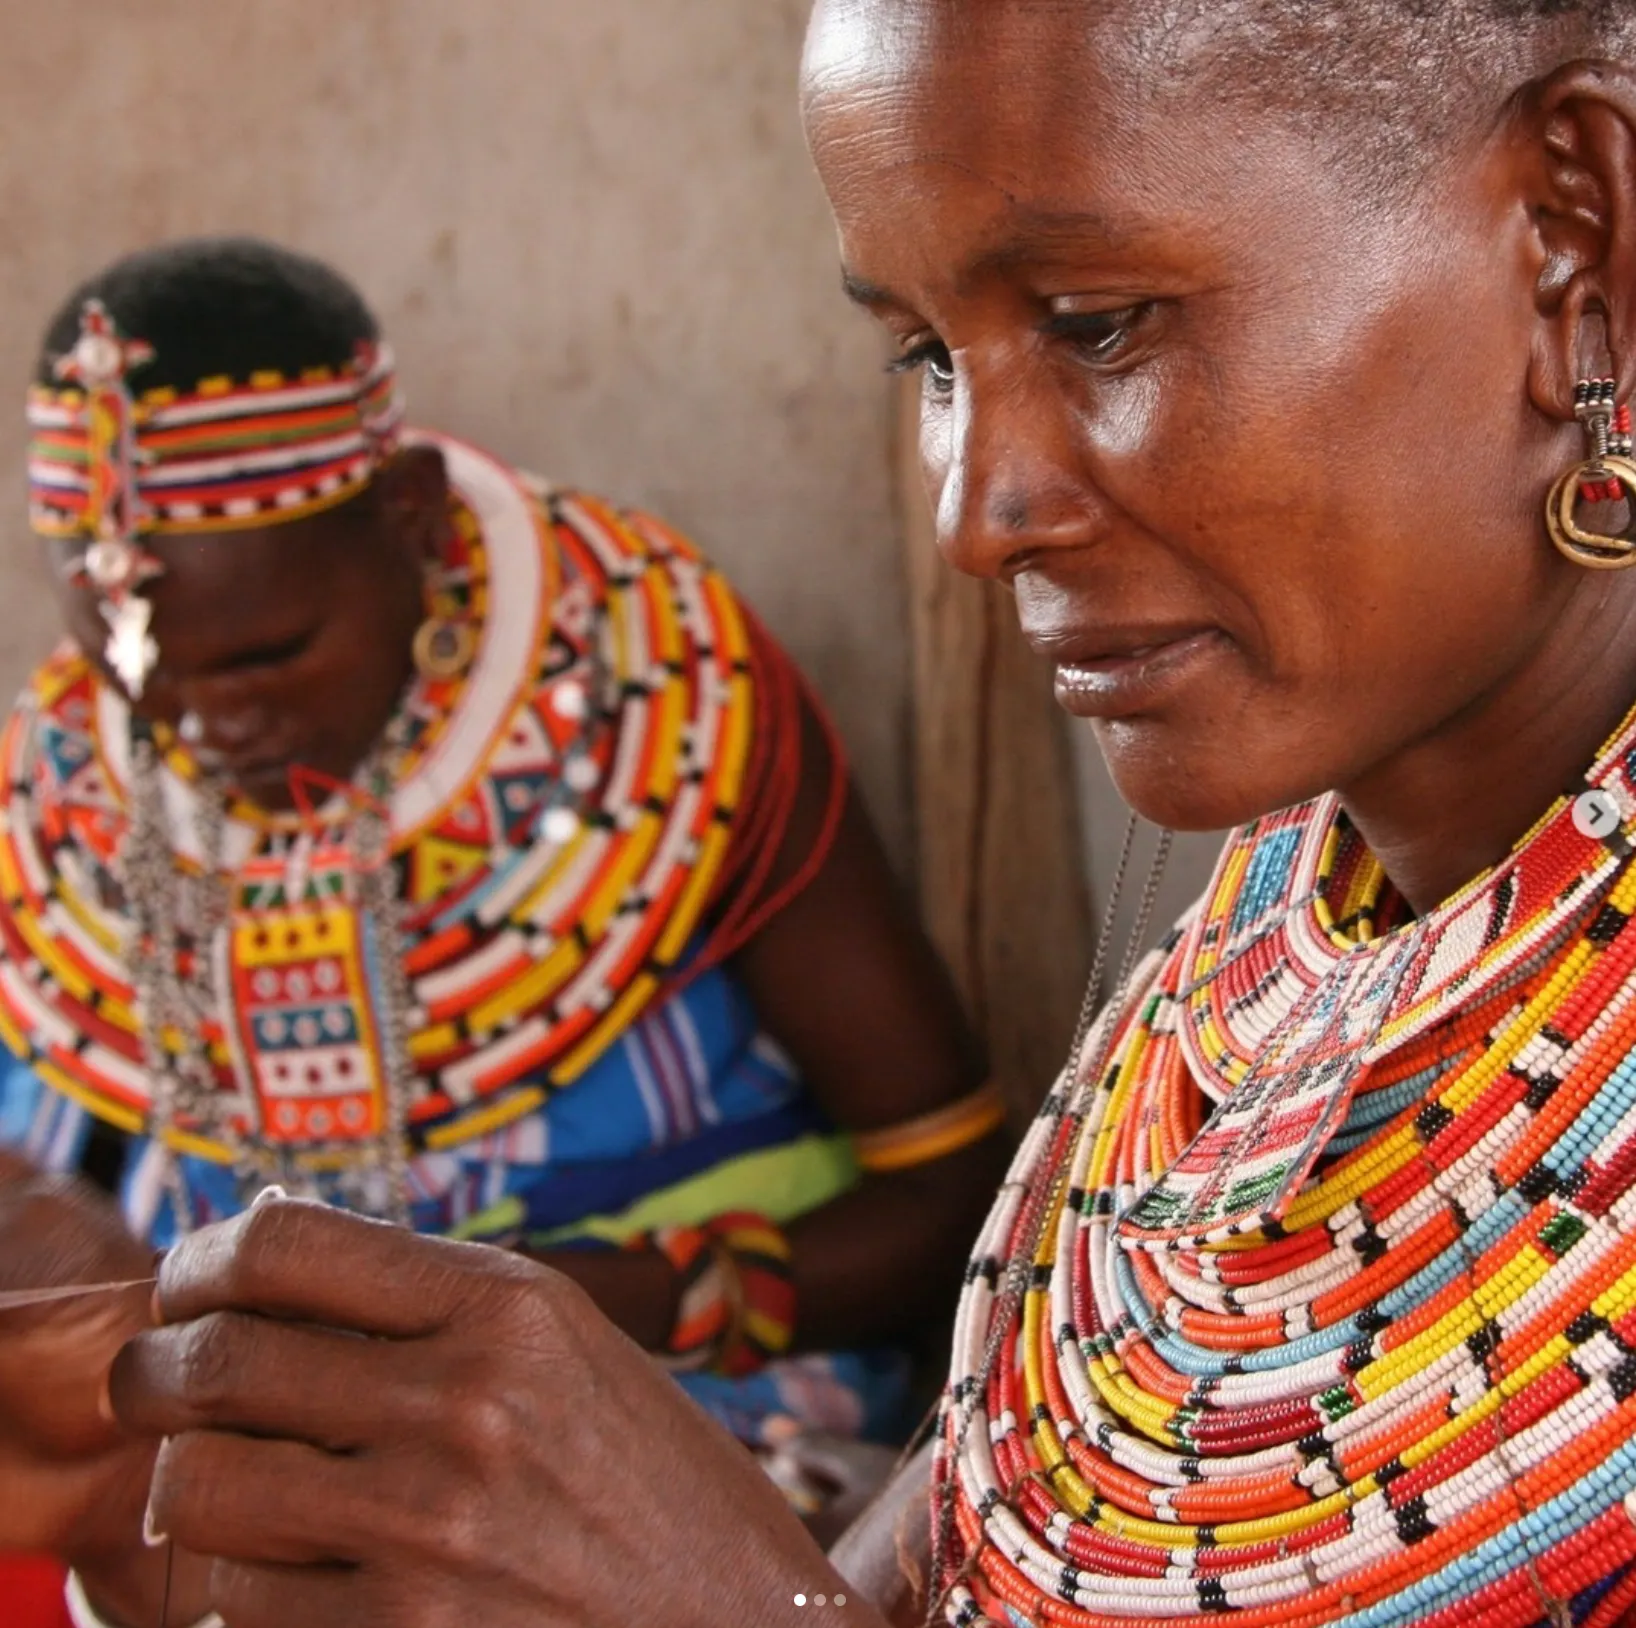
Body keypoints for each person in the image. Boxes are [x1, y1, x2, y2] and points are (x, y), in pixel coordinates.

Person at [18, 0, 1636, 1622]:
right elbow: (993, 1515)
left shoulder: (652, 697)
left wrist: (706, 1571)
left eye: (1097, 324)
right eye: (929, 355)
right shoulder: (1312, 899)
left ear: (1575, 231)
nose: (975, 511)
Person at [0, 237, 1007, 1623]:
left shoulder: (659, 710)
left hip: (666, 1431)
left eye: (265, 658)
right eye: (141, 687)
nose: (201, 730)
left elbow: (954, 1194)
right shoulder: (59, 799)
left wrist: (578, 1308)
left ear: (413, 513)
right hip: (212, 1463)